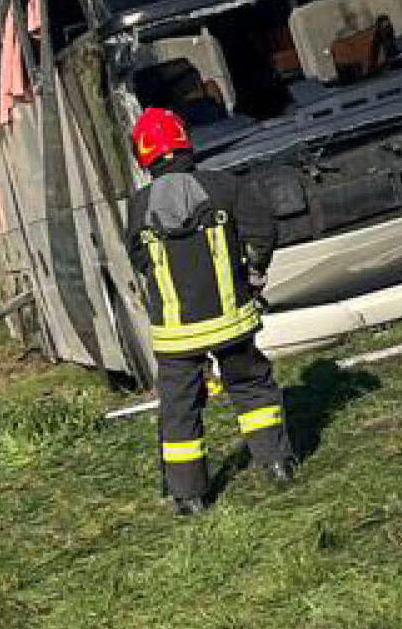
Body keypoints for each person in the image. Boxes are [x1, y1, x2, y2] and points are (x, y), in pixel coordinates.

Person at [123, 107, 292, 515]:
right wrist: (253, 275)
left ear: (143, 155)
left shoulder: (138, 206)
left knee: (179, 408)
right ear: (186, 141)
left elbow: (137, 258)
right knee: (252, 387)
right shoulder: (225, 186)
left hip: (176, 335)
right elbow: (262, 234)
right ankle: (275, 462)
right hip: (232, 320)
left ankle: (189, 496)